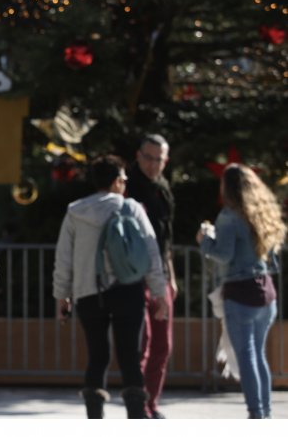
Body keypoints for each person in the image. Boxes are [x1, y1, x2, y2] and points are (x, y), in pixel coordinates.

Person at [53, 154, 168, 419]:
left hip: (88, 292)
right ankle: (136, 418)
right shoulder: (132, 208)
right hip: (128, 290)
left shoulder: (75, 211)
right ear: (117, 181)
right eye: (124, 179)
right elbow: (151, 253)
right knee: (130, 355)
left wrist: (62, 296)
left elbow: (64, 258)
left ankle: (95, 419)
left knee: (97, 355)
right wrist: (159, 293)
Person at [197, 163, 286, 419]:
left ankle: (256, 414)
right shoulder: (260, 214)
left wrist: (204, 240)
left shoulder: (229, 216)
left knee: (247, 357)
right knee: (258, 356)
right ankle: (265, 414)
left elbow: (223, 254)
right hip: (266, 292)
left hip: (240, 293)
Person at [127, 133, 176, 418]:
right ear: (138, 155)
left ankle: (151, 403)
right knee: (142, 344)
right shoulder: (127, 188)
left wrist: (172, 277)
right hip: (134, 276)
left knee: (163, 344)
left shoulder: (163, 189)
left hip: (162, 276)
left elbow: (166, 238)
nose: (153, 164)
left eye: (159, 159)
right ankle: (139, 405)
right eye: (148, 157)